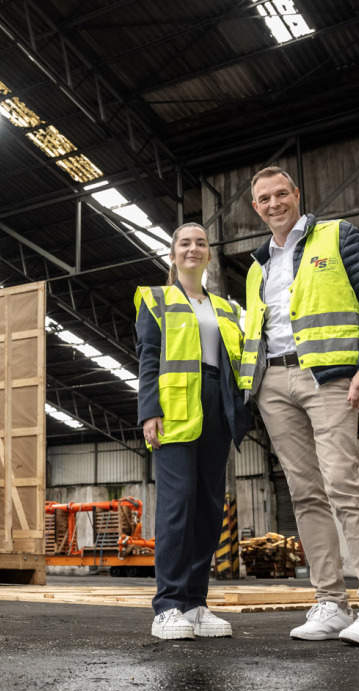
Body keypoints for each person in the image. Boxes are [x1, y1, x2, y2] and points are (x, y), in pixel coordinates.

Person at [239, 166, 359, 647]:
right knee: (305, 494)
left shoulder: (338, 236)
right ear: (256, 207)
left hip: (328, 376)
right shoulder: (256, 267)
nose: (273, 204)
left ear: (296, 195)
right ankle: (330, 601)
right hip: (275, 384)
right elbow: (255, 335)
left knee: (342, 484)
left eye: (280, 194)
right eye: (263, 198)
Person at [135, 223, 250, 641]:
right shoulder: (156, 299)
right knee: (177, 506)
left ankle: (196, 604)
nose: (193, 248)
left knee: (208, 507)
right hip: (175, 410)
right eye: (184, 242)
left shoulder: (226, 308)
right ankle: (167, 605)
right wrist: (149, 412)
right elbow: (148, 358)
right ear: (172, 254)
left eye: (201, 242)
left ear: (209, 255)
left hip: (217, 405)